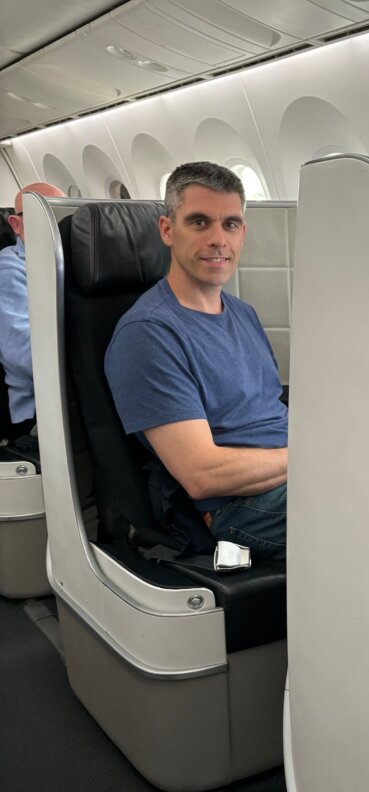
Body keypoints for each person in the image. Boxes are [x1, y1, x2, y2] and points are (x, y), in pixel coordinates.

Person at [105, 161, 288, 558]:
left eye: (231, 224)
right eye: (200, 222)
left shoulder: (242, 313)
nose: (218, 239)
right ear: (167, 230)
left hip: (287, 474)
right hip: (238, 507)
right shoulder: (148, 334)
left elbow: (267, 408)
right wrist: (313, 456)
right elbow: (202, 475)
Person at [0, 182, 65, 439]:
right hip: (39, 410)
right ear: (16, 225)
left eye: (62, 215)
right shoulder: (9, 271)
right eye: (45, 215)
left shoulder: (74, 260)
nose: (58, 225)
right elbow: (25, 355)